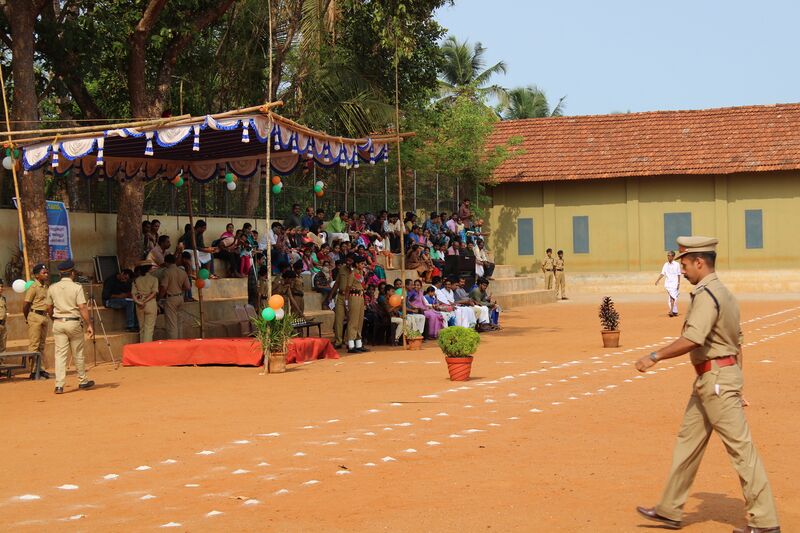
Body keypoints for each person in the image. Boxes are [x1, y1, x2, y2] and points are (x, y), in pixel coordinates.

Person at [635, 236, 780, 533]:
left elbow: (693, 338)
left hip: (715, 381)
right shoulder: (725, 294)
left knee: (742, 451)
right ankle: (669, 510)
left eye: (686, 264)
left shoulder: (706, 295)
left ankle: (765, 522)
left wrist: (654, 355)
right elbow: (738, 344)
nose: (683, 270)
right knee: (687, 444)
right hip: (713, 380)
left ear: (699, 262)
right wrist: (737, 382)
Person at [46, 260, 94, 394]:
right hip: (73, 322)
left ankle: (59, 385)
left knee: (60, 355)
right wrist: (89, 324)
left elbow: (48, 307)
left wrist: (53, 318)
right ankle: (83, 381)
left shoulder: (52, 287)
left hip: (58, 322)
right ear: (72, 273)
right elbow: (82, 307)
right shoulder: (77, 287)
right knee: (78, 353)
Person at [23, 263, 51, 379]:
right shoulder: (33, 287)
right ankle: (33, 371)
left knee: (42, 345)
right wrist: (28, 318)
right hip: (35, 315)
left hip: (44, 316)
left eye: (46, 272)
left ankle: (41, 368)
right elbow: (26, 305)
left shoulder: (45, 287)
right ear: (36, 275)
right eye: (43, 273)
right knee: (34, 344)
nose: (46, 274)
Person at [159, 254, 190, 339]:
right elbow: (188, 287)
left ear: (166, 262)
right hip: (180, 297)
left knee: (171, 324)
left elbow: (164, 287)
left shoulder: (167, 272)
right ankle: (180, 343)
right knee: (179, 323)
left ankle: (173, 345)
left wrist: (160, 297)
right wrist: (179, 289)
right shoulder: (182, 272)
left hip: (171, 298)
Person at [343, 255, 369, 353]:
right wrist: (346, 301)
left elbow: (362, 286)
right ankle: (351, 345)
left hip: (360, 297)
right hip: (353, 297)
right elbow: (348, 288)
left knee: (359, 321)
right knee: (353, 321)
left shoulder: (361, 274)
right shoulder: (352, 274)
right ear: (357, 264)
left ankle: (358, 344)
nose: (363, 265)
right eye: (361, 263)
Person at [132, 262, 159, 343]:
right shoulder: (154, 279)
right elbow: (154, 293)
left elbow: (133, 294)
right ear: (150, 268)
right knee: (149, 329)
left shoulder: (136, 280)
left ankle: (141, 347)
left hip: (139, 304)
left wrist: (139, 302)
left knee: (142, 328)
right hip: (150, 304)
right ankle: (147, 349)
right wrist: (145, 301)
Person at [655, 250, 681, 317]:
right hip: (668, 284)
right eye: (668, 255)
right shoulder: (665, 265)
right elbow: (662, 273)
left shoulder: (677, 264)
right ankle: (675, 311)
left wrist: (678, 283)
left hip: (674, 283)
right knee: (671, 298)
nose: (668, 257)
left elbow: (679, 274)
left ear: (673, 257)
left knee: (672, 297)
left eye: (669, 255)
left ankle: (671, 311)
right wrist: (657, 280)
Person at [0, 280, 6, 353]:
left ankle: (2, 363)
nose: (0, 288)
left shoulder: (3, 298)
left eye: (1, 286)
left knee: (3, 346)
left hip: (3, 325)